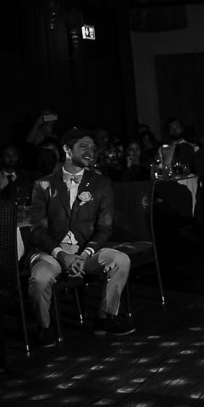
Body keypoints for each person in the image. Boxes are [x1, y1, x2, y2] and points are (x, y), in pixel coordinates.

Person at [26, 128, 134, 348]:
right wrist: (62, 255)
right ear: (67, 149)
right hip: (52, 253)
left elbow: (104, 228)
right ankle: (45, 328)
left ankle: (105, 318)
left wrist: (85, 254)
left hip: (87, 251)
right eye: (84, 146)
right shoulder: (43, 184)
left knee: (121, 260)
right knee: (39, 279)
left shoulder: (101, 183)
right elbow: (38, 231)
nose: (90, 152)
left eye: (93, 148)